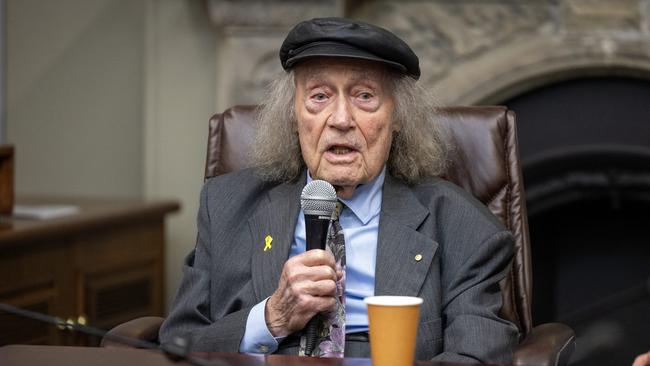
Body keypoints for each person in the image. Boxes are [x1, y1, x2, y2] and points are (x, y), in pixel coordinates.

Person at [159, 17, 519, 364]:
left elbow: (476, 353)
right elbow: (180, 341)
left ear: (397, 120)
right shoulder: (226, 206)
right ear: (293, 115)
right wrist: (272, 317)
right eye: (319, 96)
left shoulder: (464, 225)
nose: (341, 119)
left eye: (364, 96)